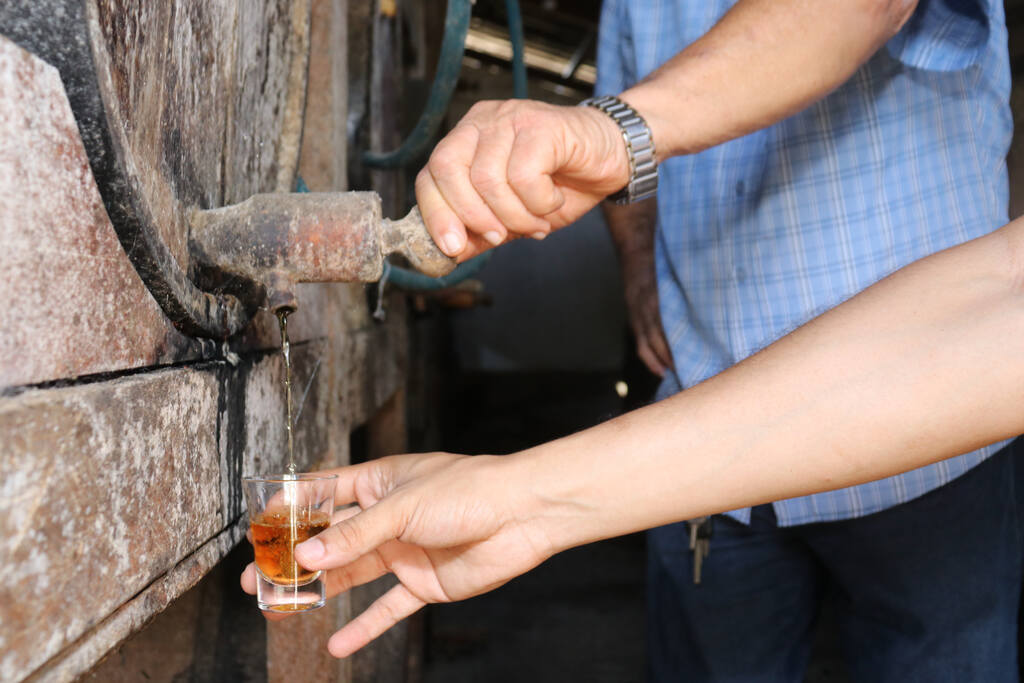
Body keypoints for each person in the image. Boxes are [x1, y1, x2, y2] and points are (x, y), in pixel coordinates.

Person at [242, 0, 1023, 679]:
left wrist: (617, 130)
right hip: (715, 394)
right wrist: (521, 498)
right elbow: (990, 311)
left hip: (942, 462)